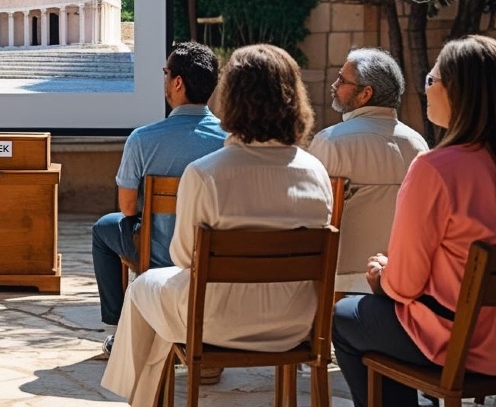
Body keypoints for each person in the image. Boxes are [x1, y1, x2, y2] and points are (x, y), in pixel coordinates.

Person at [101, 44, 333, 407]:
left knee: (144, 289)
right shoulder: (316, 172)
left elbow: (181, 256)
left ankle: (138, 399)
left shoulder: (207, 173)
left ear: (232, 98)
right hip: (293, 324)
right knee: (161, 297)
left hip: (213, 324)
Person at [332, 35, 496, 407]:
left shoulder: (435, 169)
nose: (426, 89)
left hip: (457, 341)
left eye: (431, 80)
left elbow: (404, 287)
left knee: (345, 318)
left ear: (458, 92)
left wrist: (381, 273)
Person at [92, 42, 226, 357]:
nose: (164, 79)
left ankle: (120, 331)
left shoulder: (143, 139)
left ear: (178, 82)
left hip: (158, 254)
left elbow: (127, 208)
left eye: (166, 73)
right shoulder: (231, 140)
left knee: (103, 229)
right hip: (214, 253)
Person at [309, 48, 428, 292]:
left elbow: (311, 216)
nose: (334, 84)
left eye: (342, 80)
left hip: (337, 280)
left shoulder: (330, 141)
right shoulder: (418, 144)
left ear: (365, 94)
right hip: (400, 281)